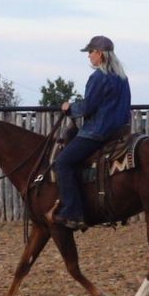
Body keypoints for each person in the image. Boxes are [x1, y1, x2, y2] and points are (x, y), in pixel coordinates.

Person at [52, 35, 132, 231]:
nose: (89, 56)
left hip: (97, 132)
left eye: (90, 52)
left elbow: (88, 107)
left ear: (100, 54)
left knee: (62, 163)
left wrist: (69, 108)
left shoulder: (98, 77)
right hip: (119, 131)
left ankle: (73, 212)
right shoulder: (122, 78)